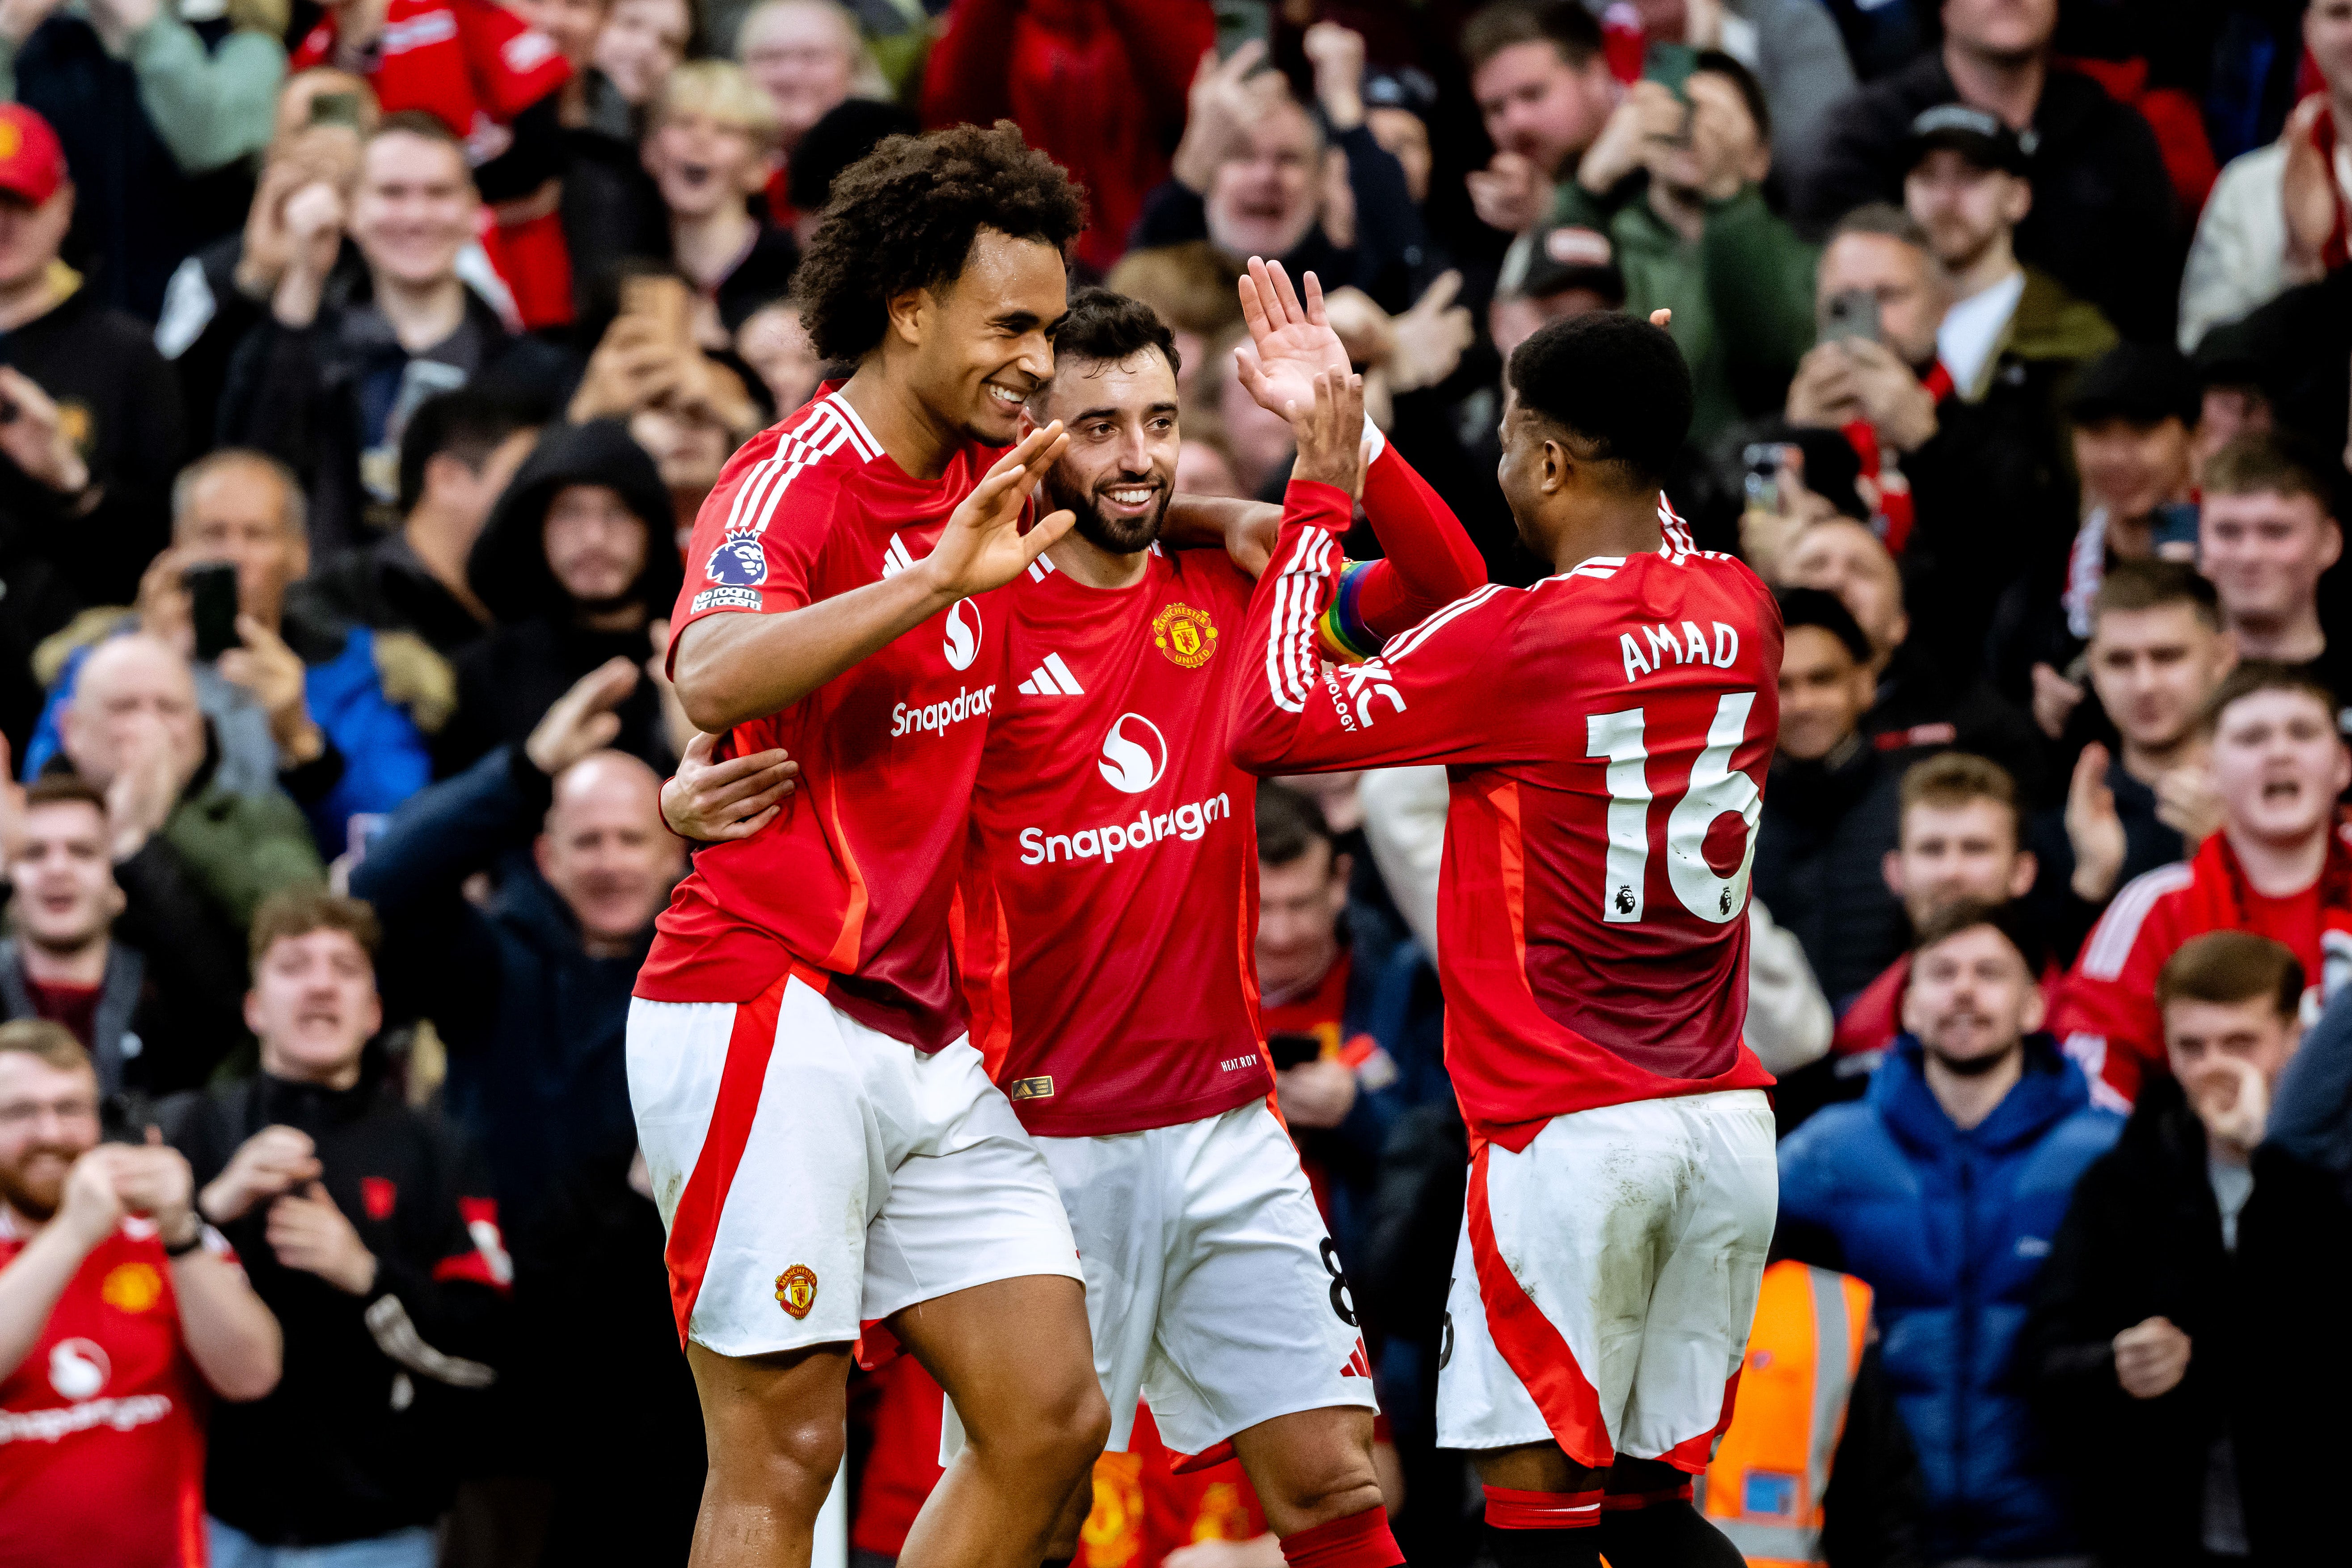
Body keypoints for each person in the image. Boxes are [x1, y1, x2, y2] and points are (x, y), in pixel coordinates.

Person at [670, 278, 1479, 1568]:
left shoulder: (1232, 585)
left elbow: (1445, 582)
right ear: (1031, 440)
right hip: (1038, 1130)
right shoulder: (974, 607)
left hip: (1228, 1118)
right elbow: (788, 735)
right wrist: (688, 784)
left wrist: (1347, 431)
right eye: (1098, 426)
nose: (1139, 455)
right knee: (1039, 1494)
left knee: (1332, 1483)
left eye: (1160, 422)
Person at [1229, 304, 1780, 1563]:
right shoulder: (1742, 606)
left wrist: (1320, 492)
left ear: (1541, 464)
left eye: (1509, 443)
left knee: (1534, 1529)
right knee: (1650, 1520)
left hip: (1569, 1138)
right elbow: (1638, 508)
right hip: (1721, 1131)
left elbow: (1271, 722)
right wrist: (1368, 427)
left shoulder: (1512, 644)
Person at [631, 120, 1108, 1568]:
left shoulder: (1000, 474)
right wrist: (925, 583)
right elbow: (709, 674)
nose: (1040, 355)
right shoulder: (795, 479)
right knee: (784, 1448)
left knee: (1049, 1413)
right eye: (1011, 322)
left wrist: (1226, 511)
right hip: (763, 1003)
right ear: (909, 307)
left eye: (1051, 325)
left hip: (916, 1025)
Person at [161, 889, 509, 1568]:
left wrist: (366, 1273)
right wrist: (210, 1212)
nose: (321, 983)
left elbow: (488, 1349)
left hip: (378, 1526)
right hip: (210, 1513)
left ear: (374, 1011)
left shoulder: (435, 1149)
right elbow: (121, 1308)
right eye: (293, 964)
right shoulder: (191, 1129)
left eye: (345, 968)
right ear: (255, 1006)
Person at [1778, 902, 2120, 1564]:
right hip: (1878, 1537)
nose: (1963, 989)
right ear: (1906, 1005)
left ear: (2033, 1005)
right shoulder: (1828, 1152)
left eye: (1990, 972)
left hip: (2064, 1535)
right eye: (1941, 972)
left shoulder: (2104, 1154)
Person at [2022, 930, 2335, 1565]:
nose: (2214, 1066)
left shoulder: (2330, 1179)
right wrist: (2114, 1362)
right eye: (2191, 1046)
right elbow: (2045, 1355)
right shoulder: (2126, 1181)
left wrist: (2270, 1163)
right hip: (2163, 1529)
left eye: (2241, 1043)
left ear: (2294, 1037)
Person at [26, 449, 440, 859]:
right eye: (213, 535)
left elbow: (395, 840)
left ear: (299, 554)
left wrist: (305, 746)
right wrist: (147, 668)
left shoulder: (362, 674)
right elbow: (43, 801)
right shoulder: (100, 662)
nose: (233, 556)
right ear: (176, 545)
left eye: (256, 535)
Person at [218, 113, 571, 556]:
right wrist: (304, 277)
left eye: (438, 193)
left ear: (472, 211)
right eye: (392, 193)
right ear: (350, 210)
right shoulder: (301, 344)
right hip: (321, 611)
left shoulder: (532, 372)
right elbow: (251, 473)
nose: (416, 215)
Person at [0, 1018, 281, 1565]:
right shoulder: (71, 1234)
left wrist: (179, 1228)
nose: (52, 1134)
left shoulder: (161, 1239)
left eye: (70, 1109)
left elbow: (254, 1375)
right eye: (20, 1112)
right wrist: (73, 1233)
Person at [1786, 207, 2074, 684]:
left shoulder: (2007, 420)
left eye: (1888, 296)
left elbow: (2014, 557)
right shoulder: (1770, 428)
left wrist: (1929, 442)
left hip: (1958, 679)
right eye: (1844, 302)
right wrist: (1800, 444)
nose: (1869, 322)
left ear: (1942, 305)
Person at [1785, 0, 2180, 341]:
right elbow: (1822, 300)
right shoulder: (1864, 137)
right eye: (1930, 175)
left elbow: (2151, 314)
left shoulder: (2116, 137)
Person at [2058, 663, 2352, 1105]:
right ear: (2206, 768)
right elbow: (2089, 1077)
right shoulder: (2156, 907)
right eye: (2251, 738)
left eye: (2302, 733)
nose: (2278, 753)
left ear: (2342, 765)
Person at [0, 101, 190, 755]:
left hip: (73, 688)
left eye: (18, 202)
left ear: (62, 205)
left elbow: (167, 550)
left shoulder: (129, 355)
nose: (1, 223)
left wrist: (73, 483)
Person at [1541, 50, 1814, 448]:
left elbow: (1770, 360)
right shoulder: (1610, 240)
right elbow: (1544, 331)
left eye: (1717, 116)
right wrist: (1591, 186)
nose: (1692, 126)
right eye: (1680, 109)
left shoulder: (1797, 254)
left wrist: (1727, 199)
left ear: (1760, 156)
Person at [0, 0, 284, 319]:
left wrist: (148, 29)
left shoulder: (245, 45)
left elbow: (211, 147)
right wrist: (6, 36)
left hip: (201, 321)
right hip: (63, 323)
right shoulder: (42, 50)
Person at [435, 418, 684, 775]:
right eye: (569, 513)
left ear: (653, 528)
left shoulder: (695, 660)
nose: (594, 538)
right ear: (536, 527)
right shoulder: (489, 672)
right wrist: (530, 770)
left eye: (618, 512)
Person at [0, 775, 246, 1110]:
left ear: (117, 881)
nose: (57, 869)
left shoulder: (173, 991)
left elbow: (224, 1006)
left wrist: (136, 848)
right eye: (33, 853)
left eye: (82, 851)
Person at [2029, 561, 2234, 958]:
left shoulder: (2278, 806)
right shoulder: (2062, 829)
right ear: (2093, 666)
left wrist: (2232, 850)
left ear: (2222, 656)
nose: (2144, 684)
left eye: (2167, 656)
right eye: (2119, 661)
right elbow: (2054, 1004)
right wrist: (2091, 883)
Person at [918, 0, 1213, 276]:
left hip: (1156, 243)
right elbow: (952, 116)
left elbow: (1192, 100)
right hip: (1026, 242)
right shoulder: (1004, 17)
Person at [53, 634, 323, 933]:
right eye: (124, 707)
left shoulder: (262, 817)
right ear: (70, 728)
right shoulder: (28, 825)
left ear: (201, 730)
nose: (150, 724)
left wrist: (165, 814)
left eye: (169, 708)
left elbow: (298, 929)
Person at [1132, 40, 1428, 313]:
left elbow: (1401, 261)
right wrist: (1194, 161)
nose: (1266, 176)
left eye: (1289, 159)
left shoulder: (1346, 286)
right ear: (1210, 177)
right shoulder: (1170, 277)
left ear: (1321, 180)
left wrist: (1345, 108)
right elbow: (1137, 282)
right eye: (1242, 156)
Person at [2004, 342, 2203, 709]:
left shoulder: (2238, 560)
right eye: (2096, 432)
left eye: (2142, 431)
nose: (2115, 457)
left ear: (2196, 437)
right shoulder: (2044, 582)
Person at [1825, 752, 2044, 1067]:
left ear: (2022, 871)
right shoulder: (1857, 1034)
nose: (1951, 872)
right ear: (1894, 872)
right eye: (1931, 849)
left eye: (1975, 848)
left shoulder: (2078, 1021)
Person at [295, 386, 543, 660]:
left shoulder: (527, 608)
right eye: (521, 475)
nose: (540, 495)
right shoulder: (334, 607)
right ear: (446, 478)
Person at [1900, 104, 2117, 407]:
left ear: (2017, 198)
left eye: (1969, 176)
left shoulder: (2073, 337)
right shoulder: (1880, 324)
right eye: (1926, 177)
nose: (1944, 199)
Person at [1752, 587, 1908, 1009]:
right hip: (1767, 1069)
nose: (1802, 704)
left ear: (1864, 683)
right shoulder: (1724, 822)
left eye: (1823, 679)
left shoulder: (1918, 808)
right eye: (1781, 685)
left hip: (1893, 1060)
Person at [2178, 0, 2352, 352]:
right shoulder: (2247, 189)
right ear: (2307, 28)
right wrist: (2299, 283)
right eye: (2340, 13)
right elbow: (2202, 350)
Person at [644, 62, 799, 347]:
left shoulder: (794, 277)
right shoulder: (624, 265)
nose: (700, 139)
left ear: (759, 167)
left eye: (726, 130)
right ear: (650, 150)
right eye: (684, 123)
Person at [2196, 431, 2352, 710]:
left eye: (2276, 532)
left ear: (2329, 543)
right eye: (2228, 532)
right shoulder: (2168, 692)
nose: (2249, 555)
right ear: (2202, 544)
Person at [1460, 1, 1618, 241]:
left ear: (1595, 77)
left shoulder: (1661, 174)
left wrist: (1552, 210)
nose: (1515, 123)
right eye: (1495, 109)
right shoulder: (1500, 225)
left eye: (1533, 94)